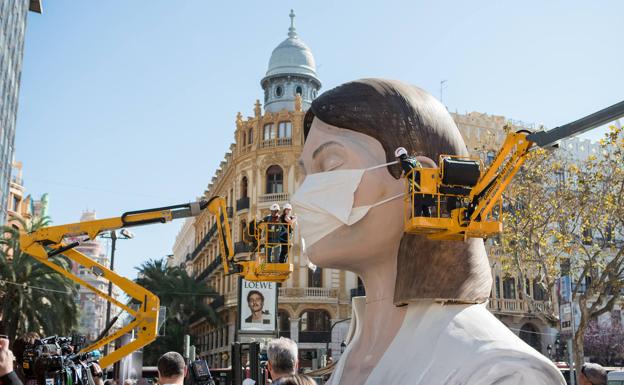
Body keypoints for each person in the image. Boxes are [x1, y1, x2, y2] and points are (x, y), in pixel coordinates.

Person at [292, 78, 565, 385]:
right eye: (305, 175)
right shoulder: (351, 358)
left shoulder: (503, 373)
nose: (300, 196)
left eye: (330, 165)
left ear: (418, 181)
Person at [395, 147, 430, 217]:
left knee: (417, 204)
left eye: (397, 158)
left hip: (417, 185)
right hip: (425, 183)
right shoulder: (413, 159)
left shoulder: (404, 162)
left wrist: (404, 174)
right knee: (424, 204)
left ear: (400, 157)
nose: (397, 160)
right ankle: (428, 218)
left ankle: (417, 218)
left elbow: (410, 171)